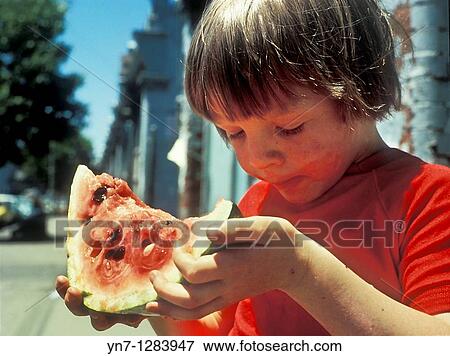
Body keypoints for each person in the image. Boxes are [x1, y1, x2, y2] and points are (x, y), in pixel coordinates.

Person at [56, 0, 450, 335]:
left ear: (362, 88)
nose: (259, 158)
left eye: (289, 128)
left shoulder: (430, 200)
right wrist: (151, 301)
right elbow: (221, 334)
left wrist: (301, 270)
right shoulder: (257, 202)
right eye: (234, 133)